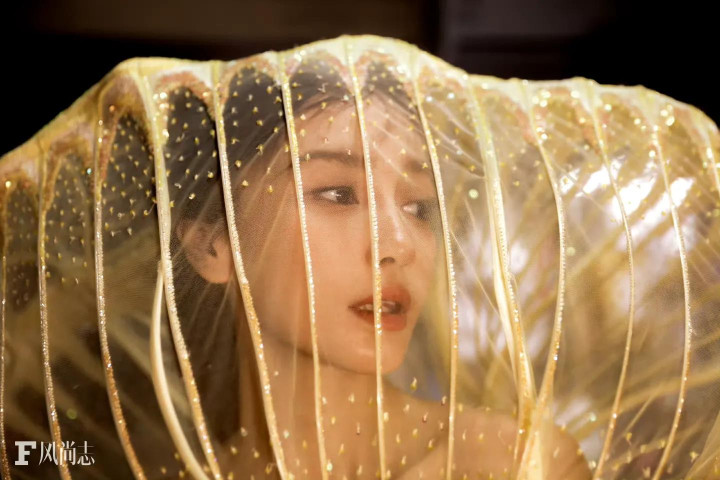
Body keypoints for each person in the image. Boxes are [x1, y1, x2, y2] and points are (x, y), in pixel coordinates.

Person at [0, 35, 718, 480]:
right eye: (338, 193)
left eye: (420, 206)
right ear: (211, 243)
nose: (397, 244)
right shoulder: (173, 470)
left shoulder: (508, 464)